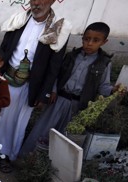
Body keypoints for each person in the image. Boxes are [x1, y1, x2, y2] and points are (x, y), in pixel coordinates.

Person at [0, 0, 72, 173]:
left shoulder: (59, 29)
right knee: (0, 118)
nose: (36, 2)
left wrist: (44, 93)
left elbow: (55, 66)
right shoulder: (18, 20)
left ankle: (8, 156)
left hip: (31, 85)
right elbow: (5, 49)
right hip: (8, 78)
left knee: (18, 122)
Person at [19, 22, 118, 156]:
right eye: (87, 39)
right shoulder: (72, 56)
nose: (89, 43)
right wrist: (53, 90)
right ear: (82, 38)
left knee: (63, 136)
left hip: (77, 105)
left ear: (104, 42)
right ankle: (27, 157)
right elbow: (56, 74)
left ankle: (49, 164)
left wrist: (113, 90)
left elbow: (103, 86)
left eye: (95, 40)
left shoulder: (104, 63)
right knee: (43, 129)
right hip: (58, 99)